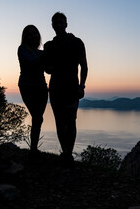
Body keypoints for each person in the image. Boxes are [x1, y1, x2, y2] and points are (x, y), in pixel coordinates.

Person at [44, 12, 88, 167]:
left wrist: (81, 86)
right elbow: (47, 69)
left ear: (66, 24)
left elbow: (84, 65)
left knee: (70, 120)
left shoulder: (76, 42)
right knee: (59, 121)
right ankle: (65, 152)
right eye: (55, 22)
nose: (58, 24)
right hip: (55, 88)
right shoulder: (48, 46)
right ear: (52, 25)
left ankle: (68, 153)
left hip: (71, 88)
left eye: (61, 22)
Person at [18, 25, 48, 159]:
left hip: (41, 87)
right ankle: (33, 150)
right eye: (30, 34)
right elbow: (30, 63)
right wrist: (45, 54)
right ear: (25, 37)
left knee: (38, 118)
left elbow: (49, 69)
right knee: (36, 116)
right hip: (27, 86)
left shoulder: (40, 52)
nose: (33, 36)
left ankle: (33, 149)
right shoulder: (22, 49)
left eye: (35, 33)